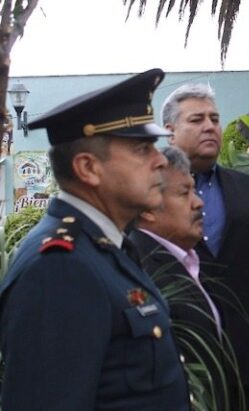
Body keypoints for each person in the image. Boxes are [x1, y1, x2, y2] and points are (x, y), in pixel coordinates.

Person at [0, 69, 190, 410]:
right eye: (143, 149)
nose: (161, 159)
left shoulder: (103, 246)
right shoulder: (59, 269)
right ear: (88, 168)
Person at [162, 83, 249, 410]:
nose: (209, 127)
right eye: (196, 120)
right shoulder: (150, 193)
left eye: (214, 118)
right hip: (182, 355)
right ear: (170, 132)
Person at [130, 146, 233, 410]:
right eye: (184, 193)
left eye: (195, 190)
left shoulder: (188, 258)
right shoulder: (140, 268)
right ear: (147, 209)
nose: (198, 202)